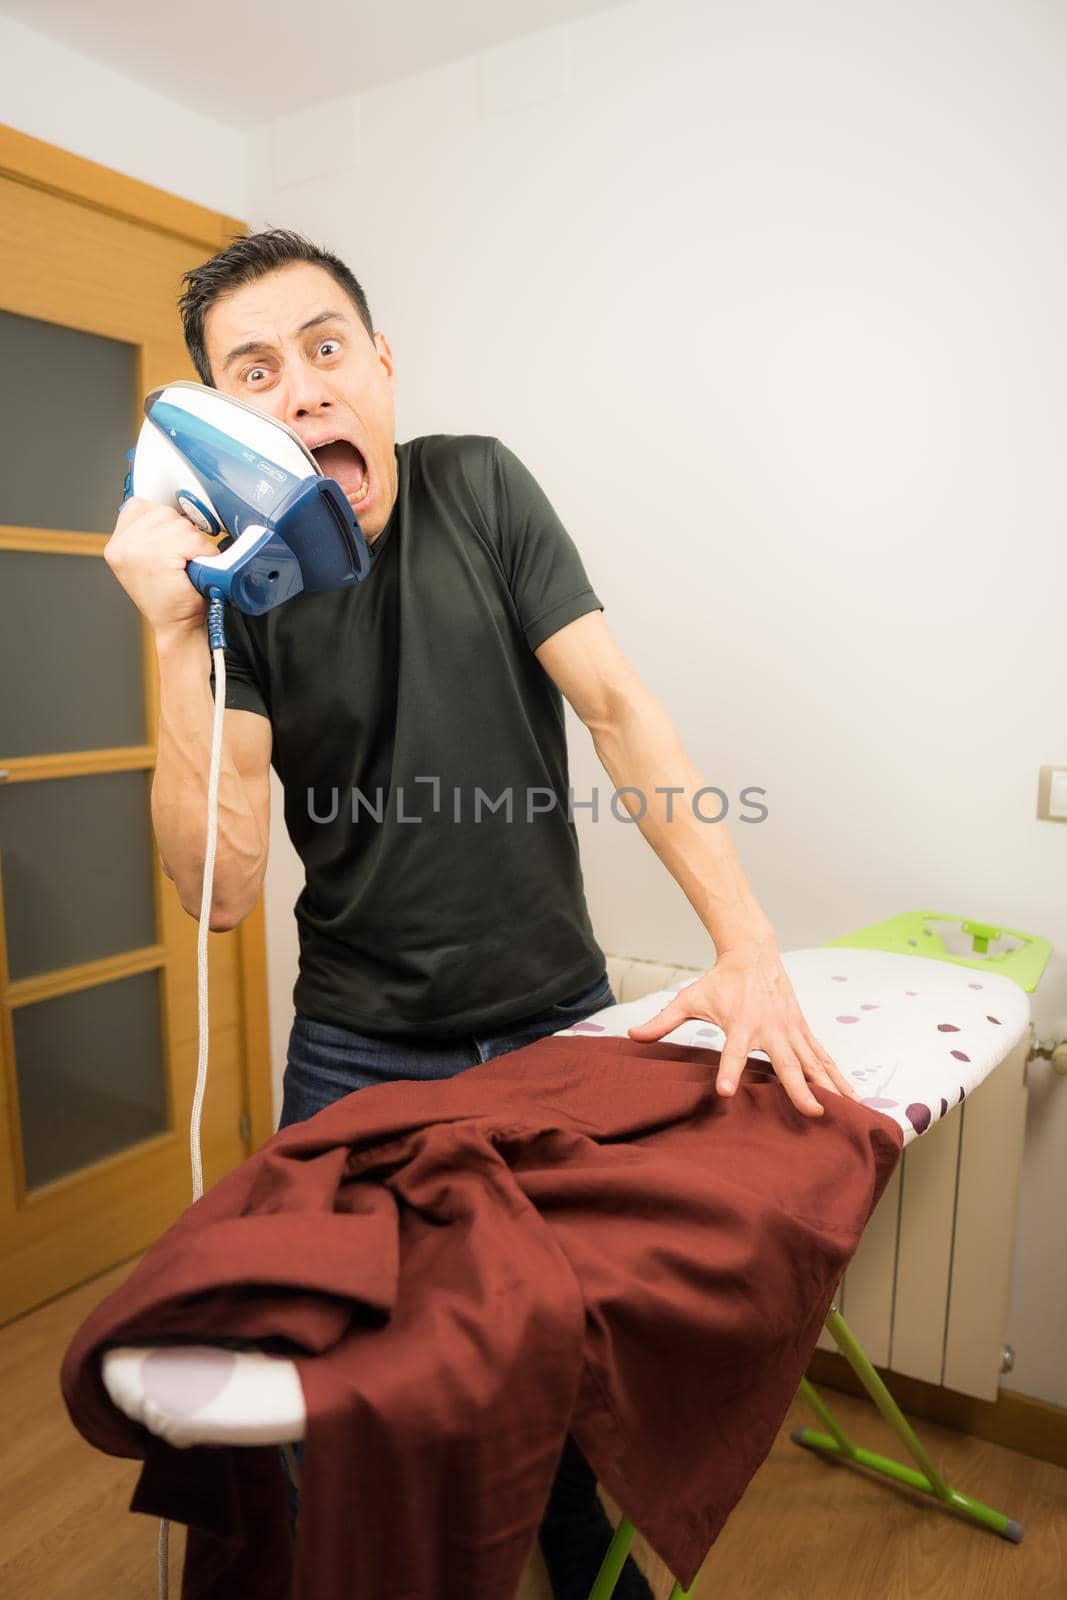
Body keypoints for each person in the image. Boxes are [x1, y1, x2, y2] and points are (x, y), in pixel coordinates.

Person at [105, 228, 859, 1599]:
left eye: (327, 349)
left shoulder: (481, 486)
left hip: (550, 1026)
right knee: (331, 1398)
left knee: (566, 1391)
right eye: (257, 372)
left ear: (381, 368)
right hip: (353, 1051)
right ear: (223, 421)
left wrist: (747, 948)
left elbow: (622, 713)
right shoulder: (239, 593)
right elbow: (216, 892)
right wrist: (172, 635)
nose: (306, 390)